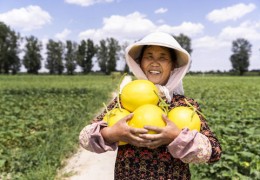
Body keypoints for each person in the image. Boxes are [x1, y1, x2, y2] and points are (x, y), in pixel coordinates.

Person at [79, 31, 222, 179]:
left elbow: (214, 151)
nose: (155, 62)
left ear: (172, 65)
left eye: (163, 57)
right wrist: (113, 133)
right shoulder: (124, 102)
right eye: (149, 56)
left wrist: (176, 137)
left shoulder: (184, 104)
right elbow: (85, 138)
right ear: (140, 63)